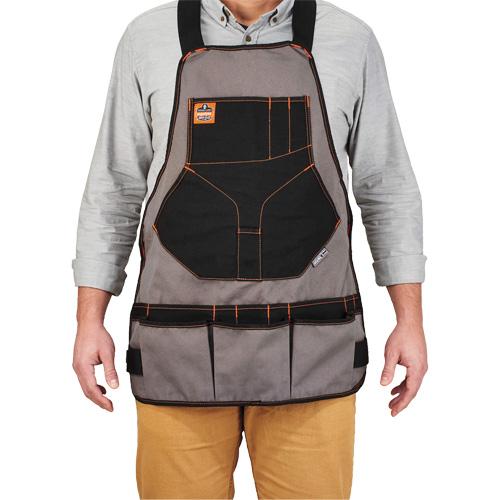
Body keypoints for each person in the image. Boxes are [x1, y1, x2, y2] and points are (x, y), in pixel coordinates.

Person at [72, 1, 428, 498]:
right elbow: (115, 189)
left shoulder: (351, 40)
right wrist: (89, 319)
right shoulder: (146, 38)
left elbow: (385, 186)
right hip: (179, 351)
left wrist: (410, 320)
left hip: (312, 352)